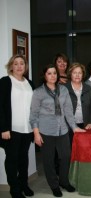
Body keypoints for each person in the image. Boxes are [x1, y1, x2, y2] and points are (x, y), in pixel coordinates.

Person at [30, 64, 85, 197]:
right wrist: (36, 133)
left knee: (66, 156)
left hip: (63, 130)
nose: (52, 76)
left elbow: (68, 111)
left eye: (54, 73)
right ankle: (54, 185)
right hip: (46, 131)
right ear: (44, 76)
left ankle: (64, 181)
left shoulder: (64, 90)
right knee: (48, 160)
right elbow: (34, 114)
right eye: (49, 73)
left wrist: (74, 127)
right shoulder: (38, 92)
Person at [0, 55, 35, 198]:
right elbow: (0, 106)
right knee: (12, 160)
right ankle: (14, 189)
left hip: (27, 129)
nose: (19, 66)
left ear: (25, 66)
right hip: (12, 129)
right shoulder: (5, 81)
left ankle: (24, 184)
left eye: (22, 63)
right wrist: (3, 128)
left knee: (23, 159)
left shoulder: (30, 83)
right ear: (11, 66)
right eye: (16, 64)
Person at [65, 62, 91, 144]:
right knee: (68, 152)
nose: (77, 75)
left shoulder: (88, 88)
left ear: (83, 74)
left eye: (79, 73)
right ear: (70, 74)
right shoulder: (64, 88)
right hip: (67, 126)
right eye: (74, 73)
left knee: (83, 150)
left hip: (85, 125)